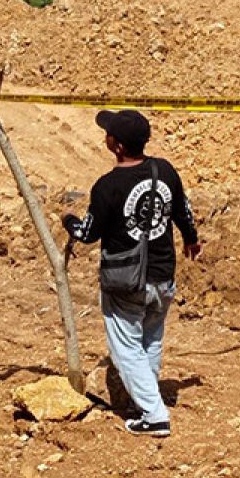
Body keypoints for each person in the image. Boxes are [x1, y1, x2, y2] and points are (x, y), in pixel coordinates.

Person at [62, 110, 201, 438]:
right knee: (150, 339)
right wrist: (192, 239)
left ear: (118, 146)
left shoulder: (107, 186)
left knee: (126, 347)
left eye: (108, 133)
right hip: (163, 274)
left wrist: (69, 221)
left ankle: (154, 415)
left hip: (126, 281)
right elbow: (182, 209)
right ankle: (147, 401)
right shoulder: (164, 170)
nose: (105, 136)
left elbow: (88, 233)